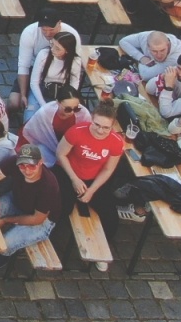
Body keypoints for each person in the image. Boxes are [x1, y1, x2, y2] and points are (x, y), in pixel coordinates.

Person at [55, 100, 129, 246]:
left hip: (94, 178)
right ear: (91, 120)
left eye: (106, 127)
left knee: (110, 215)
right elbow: (60, 154)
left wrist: (92, 190)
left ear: (113, 126)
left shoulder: (116, 142)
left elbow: (108, 169)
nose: (100, 131)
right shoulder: (76, 131)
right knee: (63, 207)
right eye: (97, 125)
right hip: (69, 173)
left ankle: (102, 247)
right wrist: (74, 179)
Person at [0, 142, 61, 267]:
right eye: (22, 166)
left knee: (7, 243)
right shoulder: (13, 162)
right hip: (16, 200)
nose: (27, 170)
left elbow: (37, 219)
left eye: (32, 166)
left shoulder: (49, 185)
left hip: (42, 220)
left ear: (40, 162)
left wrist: (5, 221)